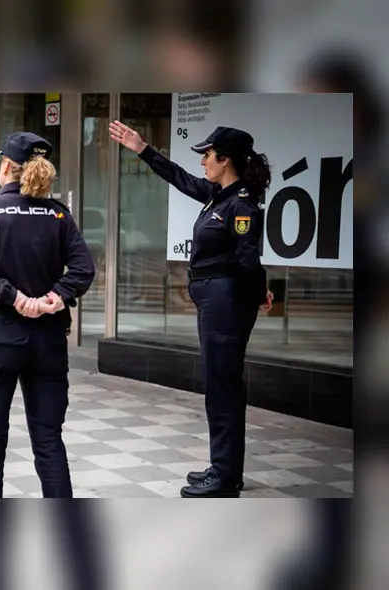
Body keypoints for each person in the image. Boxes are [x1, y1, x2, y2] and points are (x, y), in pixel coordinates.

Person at [109, 121, 273, 498]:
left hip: (227, 302)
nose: (202, 162)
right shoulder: (219, 195)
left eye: (207, 155)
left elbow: (248, 259)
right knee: (217, 385)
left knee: (223, 386)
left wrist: (260, 292)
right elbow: (179, 178)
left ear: (225, 159)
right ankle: (223, 466)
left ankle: (227, 475)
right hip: (216, 299)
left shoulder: (241, 204)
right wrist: (142, 148)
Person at [0, 131, 96, 499]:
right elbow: (83, 270)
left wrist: (15, 297)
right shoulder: (59, 215)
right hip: (49, 339)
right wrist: (56, 296)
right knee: (50, 442)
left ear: (6, 166)